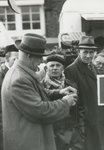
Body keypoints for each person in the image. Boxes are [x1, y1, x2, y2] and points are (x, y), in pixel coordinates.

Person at [1, 33, 78, 150]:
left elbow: (36, 93)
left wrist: (59, 92)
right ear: (28, 56)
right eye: (39, 56)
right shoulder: (19, 79)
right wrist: (65, 103)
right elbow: (40, 111)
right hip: (28, 143)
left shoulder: (21, 72)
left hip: (29, 140)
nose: (42, 60)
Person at [64, 35, 103, 150]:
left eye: (91, 52)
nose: (88, 56)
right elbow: (75, 103)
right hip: (85, 123)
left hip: (98, 119)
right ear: (78, 51)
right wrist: (81, 127)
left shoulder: (93, 67)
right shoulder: (71, 70)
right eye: (85, 52)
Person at [41, 52, 84, 150]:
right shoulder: (41, 86)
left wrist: (81, 130)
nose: (55, 68)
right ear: (46, 69)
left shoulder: (71, 84)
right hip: (53, 134)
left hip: (73, 133)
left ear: (63, 68)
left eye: (58, 65)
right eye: (51, 66)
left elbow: (80, 108)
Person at [0, 44, 18, 150]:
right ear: (7, 58)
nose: (17, 61)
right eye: (14, 59)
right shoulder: (2, 73)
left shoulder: (13, 71)